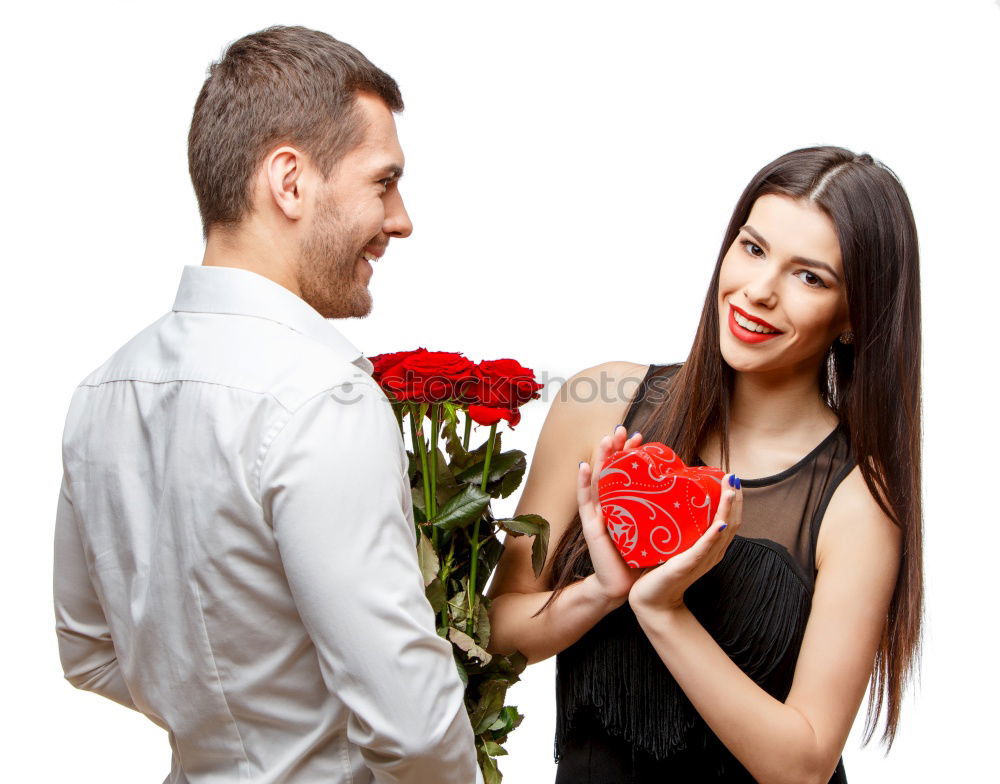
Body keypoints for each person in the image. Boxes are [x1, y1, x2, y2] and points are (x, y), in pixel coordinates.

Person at [53, 26, 482, 784]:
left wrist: (232, 730)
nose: (401, 219)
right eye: (383, 181)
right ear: (289, 181)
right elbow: (416, 733)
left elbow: (87, 651)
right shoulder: (323, 398)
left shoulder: (101, 391)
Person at [487, 146, 922, 782]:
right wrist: (601, 592)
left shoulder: (858, 498)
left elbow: (803, 765)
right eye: (753, 248)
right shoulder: (601, 403)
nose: (759, 291)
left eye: (810, 277)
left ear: (854, 315)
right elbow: (493, 636)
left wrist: (662, 610)